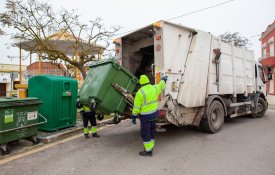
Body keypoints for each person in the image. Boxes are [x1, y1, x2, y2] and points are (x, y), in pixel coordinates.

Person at [131, 74, 167, 156]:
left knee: (145, 133)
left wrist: (133, 116)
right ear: (148, 81)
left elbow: (136, 107)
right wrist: (164, 79)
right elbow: (161, 85)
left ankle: (148, 151)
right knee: (152, 132)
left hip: (145, 118)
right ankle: (151, 147)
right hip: (154, 115)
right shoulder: (154, 88)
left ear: (141, 83)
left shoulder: (140, 92)